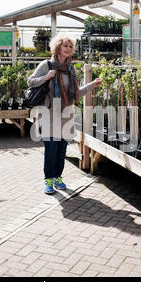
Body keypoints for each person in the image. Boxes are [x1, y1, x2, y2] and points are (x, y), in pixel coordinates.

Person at [28, 34, 102, 195]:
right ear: (57, 47)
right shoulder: (47, 65)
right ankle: (48, 180)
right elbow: (31, 81)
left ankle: (58, 177)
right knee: (51, 148)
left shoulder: (70, 69)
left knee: (62, 149)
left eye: (70, 46)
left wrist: (92, 84)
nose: (68, 49)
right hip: (48, 114)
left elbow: (77, 92)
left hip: (66, 115)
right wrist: (47, 77)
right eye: (65, 46)